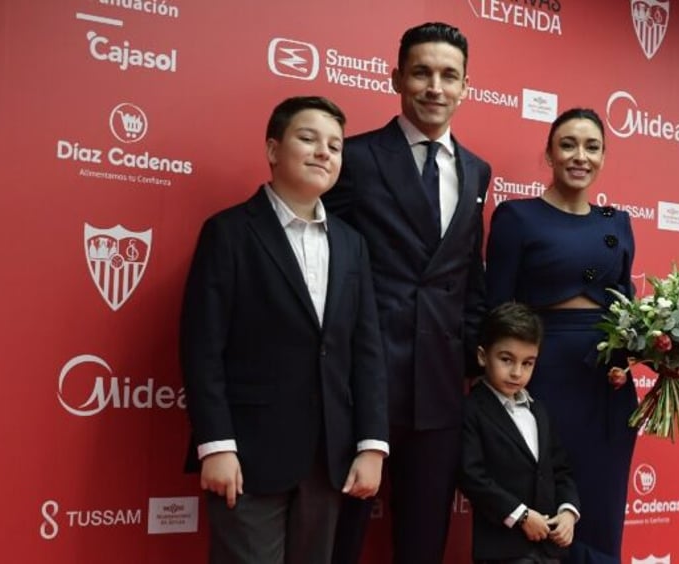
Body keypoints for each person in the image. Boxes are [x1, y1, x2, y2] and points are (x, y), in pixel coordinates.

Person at [180, 96, 388, 564]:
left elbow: (367, 350)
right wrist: (215, 445)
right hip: (248, 455)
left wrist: (372, 445)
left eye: (335, 145)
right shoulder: (229, 232)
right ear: (273, 150)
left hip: (329, 458)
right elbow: (203, 348)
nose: (324, 153)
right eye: (308, 139)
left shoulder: (352, 245)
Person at [322, 21, 492, 564]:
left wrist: (472, 360)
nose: (434, 87)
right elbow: (327, 266)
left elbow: (470, 275)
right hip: (360, 382)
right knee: (337, 539)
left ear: (466, 85)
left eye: (449, 75)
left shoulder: (476, 171)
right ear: (397, 77)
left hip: (440, 386)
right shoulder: (356, 157)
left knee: (424, 543)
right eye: (421, 72)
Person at [484, 108, 637, 564]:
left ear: (604, 157)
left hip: (606, 383)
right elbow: (497, 307)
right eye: (568, 144)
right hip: (540, 377)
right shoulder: (517, 217)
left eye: (592, 147)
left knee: (601, 507)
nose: (579, 156)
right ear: (549, 154)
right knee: (543, 509)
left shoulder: (618, 224)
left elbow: (627, 305)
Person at [459, 302, 581, 564]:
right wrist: (521, 515)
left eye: (527, 363)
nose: (517, 372)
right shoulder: (471, 409)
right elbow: (472, 476)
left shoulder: (539, 410)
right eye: (506, 360)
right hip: (502, 549)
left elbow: (560, 471)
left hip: (548, 548)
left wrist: (568, 512)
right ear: (482, 356)